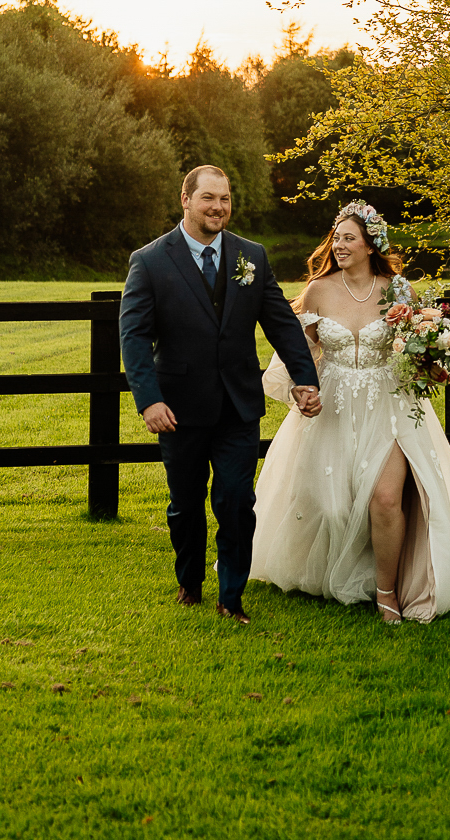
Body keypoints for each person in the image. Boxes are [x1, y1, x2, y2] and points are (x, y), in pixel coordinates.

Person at [251, 202, 450, 623]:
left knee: (386, 499)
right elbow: (298, 352)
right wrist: (301, 390)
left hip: (390, 403)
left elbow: (415, 349)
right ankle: (331, 571)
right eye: (335, 237)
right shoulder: (319, 290)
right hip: (334, 405)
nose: (338, 245)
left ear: (371, 244)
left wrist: (435, 361)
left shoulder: (398, 290)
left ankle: (387, 590)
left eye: (348, 238)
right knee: (333, 507)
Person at [119, 165, 321, 625]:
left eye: (225, 199)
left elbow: (282, 324)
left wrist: (304, 379)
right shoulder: (148, 261)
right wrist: (149, 400)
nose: (218, 207)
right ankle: (189, 581)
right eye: (208, 198)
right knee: (185, 505)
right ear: (186, 200)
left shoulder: (252, 256)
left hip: (237, 407)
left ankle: (231, 597)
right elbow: (133, 336)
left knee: (235, 502)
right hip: (178, 409)